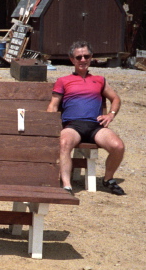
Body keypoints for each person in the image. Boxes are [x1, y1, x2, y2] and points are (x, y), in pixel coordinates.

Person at [47, 41, 127, 195]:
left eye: (86, 56)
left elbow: (115, 98)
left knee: (118, 146)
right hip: (73, 126)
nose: (83, 60)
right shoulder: (63, 81)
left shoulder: (100, 80)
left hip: (95, 126)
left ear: (91, 57)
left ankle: (108, 179)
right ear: (72, 60)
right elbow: (53, 106)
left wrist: (111, 114)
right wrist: (50, 127)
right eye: (79, 57)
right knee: (64, 143)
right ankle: (67, 185)